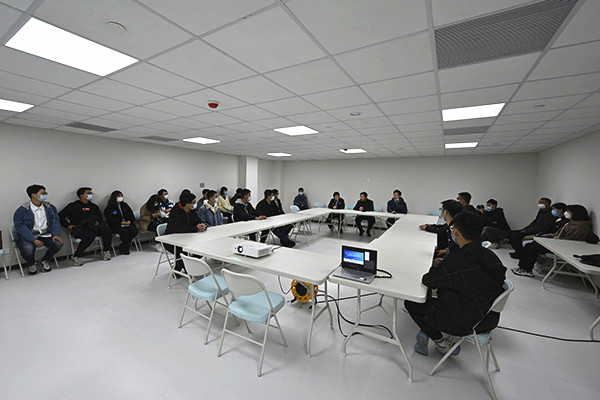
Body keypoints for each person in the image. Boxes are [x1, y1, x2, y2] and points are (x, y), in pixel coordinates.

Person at [405, 211, 507, 357]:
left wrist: (437, 266)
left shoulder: (456, 260)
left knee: (412, 303)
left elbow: (428, 280)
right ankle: (427, 331)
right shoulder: (492, 257)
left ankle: (441, 342)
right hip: (489, 318)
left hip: (465, 321)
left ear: (456, 232)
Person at [512, 205, 593, 277]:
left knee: (532, 248)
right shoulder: (572, 223)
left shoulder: (580, 227)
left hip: (561, 248)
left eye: (569, 212)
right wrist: (545, 236)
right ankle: (522, 268)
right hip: (556, 244)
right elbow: (557, 234)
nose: (567, 213)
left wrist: (551, 239)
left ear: (576, 213)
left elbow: (568, 241)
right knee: (529, 245)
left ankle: (527, 270)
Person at [13, 184, 63, 275]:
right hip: (28, 236)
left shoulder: (50, 208)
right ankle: (32, 264)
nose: (46, 194)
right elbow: (20, 226)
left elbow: (55, 221)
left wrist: (56, 234)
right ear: (33, 195)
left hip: (45, 234)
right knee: (28, 249)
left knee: (58, 244)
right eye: (43, 193)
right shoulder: (22, 210)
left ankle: (44, 261)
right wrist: (33, 239)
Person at [59, 187, 112, 266]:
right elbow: (60, 216)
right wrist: (68, 225)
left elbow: (100, 217)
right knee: (90, 235)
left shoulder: (94, 206)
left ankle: (106, 251)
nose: (91, 194)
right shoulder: (73, 206)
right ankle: (76, 256)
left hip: (94, 227)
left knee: (107, 230)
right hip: (80, 228)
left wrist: (98, 222)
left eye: (91, 193)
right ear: (82, 195)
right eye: (88, 193)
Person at [164, 192, 207, 274]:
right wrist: (195, 228)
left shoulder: (191, 211)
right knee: (182, 252)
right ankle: (183, 269)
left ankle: (187, 265)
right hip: (171, 241)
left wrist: (202, 225)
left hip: (187, 238)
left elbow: (198, 221)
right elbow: (177, 228)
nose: (195, 204)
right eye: (193, 202)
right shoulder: (175, 212)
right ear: (187, 204)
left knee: (202, 248)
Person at [103, 191, 138, 255]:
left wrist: (129, 221)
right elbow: (110, 219)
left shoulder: (124, 205)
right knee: (125, 232)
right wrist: (120, 222)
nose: (120, 197)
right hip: (116, 225)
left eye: (121, 196)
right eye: (119, 196)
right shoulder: (109, 208)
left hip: (127, 223)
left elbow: (131, 215)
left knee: (134, 230)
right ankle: (125, 248)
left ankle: (123, 246)